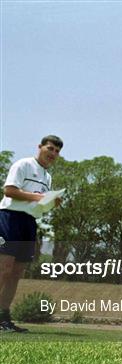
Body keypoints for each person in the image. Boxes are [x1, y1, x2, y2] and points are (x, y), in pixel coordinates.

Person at [0, 135, 63, 332]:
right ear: (40, 147)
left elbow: (40, 204)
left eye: (56, 151)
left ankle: (3, 318)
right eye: (50, 148)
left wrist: (51, 203)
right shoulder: (23, 164)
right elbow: (9, 190)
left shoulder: (48, 177)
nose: (52, 153)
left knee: (17, 273)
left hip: (29, 223)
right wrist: (37, 197)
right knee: (4, 269)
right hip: (10, 218)